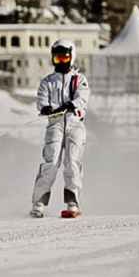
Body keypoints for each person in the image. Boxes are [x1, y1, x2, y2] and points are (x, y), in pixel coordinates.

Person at [30, 39, 90, 218]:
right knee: (51, 161)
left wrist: (71, 105)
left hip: (74, 125)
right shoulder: (48, 81)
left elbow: (82, 98)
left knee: (72, 161)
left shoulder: (79, 80)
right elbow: (41, 99)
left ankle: (72, 200)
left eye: (64, 58)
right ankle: (39, 201)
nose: (61, 62)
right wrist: (45, 107)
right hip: (55, 125)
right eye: (57, 59)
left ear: (72, 58)